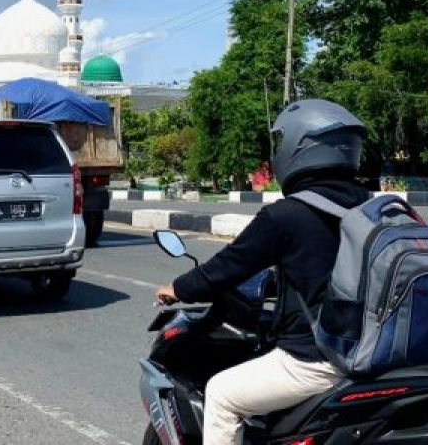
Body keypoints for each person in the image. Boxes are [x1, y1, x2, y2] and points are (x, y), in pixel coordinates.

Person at [154, 99, 371, 445]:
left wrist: (177, 288)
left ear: (298, 148)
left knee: (222, 395)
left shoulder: (287, 214)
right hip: (380, 353)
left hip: (319, 361)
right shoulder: (375, 208)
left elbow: (226, 267)